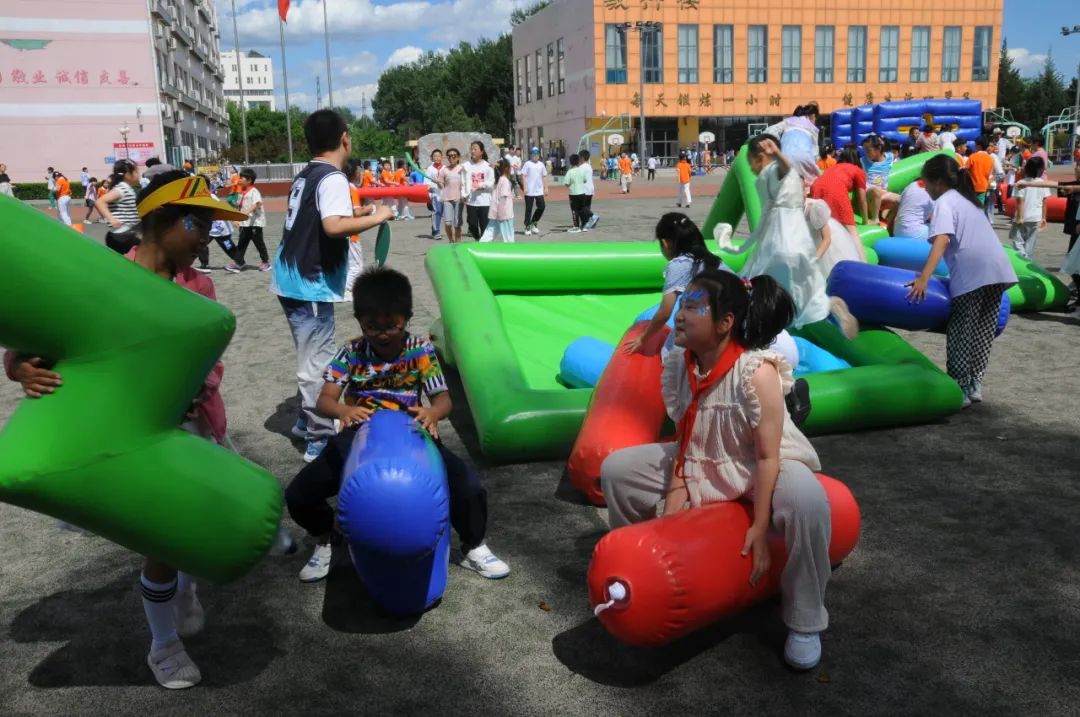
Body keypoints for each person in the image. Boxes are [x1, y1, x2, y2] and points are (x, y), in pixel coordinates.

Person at [6, 170, 250, 689]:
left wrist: (196, 387)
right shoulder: (99, 278)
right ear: (162, 220)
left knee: (187, 527)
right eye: (199, 222)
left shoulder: (198, 285)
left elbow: (209, 361)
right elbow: (27, 347)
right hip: (132, 440)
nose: (208, 235)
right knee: (162, 542)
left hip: (190, 428)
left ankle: (183, 586)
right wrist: (23, 370)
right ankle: (163, 647)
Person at [600, 269, 833, 671]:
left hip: (762, 461)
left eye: (693, 307)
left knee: (808, 500)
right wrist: (674, 502)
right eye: (682, 304)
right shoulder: (680, 364)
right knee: (618, 470)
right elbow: (685, 433)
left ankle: (805, 620)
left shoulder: (756, 372)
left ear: (725, 323)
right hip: (702, 454)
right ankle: (635, 565)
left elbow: (766, 457)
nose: (680, 315)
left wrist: (760, 529)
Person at [285, 266, 510, 582]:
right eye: (371, 326)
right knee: (299, 494)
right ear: (360, 321)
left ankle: (473, 546)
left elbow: (444, 400)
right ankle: (327, 536)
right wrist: (343, 412)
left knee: (469, 487)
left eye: (392, 325)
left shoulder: (420, 349)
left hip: (412, 432)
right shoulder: (351, 352)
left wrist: (432, 414)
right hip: (360, 434)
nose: (382, 334)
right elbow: (325, 400)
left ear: (406, 318)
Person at [270, 110, 395, 462]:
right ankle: (319, 435)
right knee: (316, 362)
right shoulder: (334, 177)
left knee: (311, 355)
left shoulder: (309, 173)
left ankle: (303, 421)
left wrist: (361, 212)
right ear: (345, 138)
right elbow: (332, 226)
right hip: (307, 283)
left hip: (294, 280)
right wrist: (378, 217)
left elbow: (327, 217)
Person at [906, 155, 1017, 407]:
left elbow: (942, 239)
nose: (925, 189)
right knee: (983, 331)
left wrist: (924, 277)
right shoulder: (968, 200)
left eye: (925, 183)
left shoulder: (945, 202)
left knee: (961, 331)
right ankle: (975, 383)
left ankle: (959, 387)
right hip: (997, 271)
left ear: (936, 182)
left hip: (973, 273)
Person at [719, 135, 857, 337]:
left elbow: (786, 170)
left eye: (751, 161)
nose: (750, 167)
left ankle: (784, 326)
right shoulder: (767, 176)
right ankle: (824, 308)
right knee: (793, 287)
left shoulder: (777, 171)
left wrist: (777, 154)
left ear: (761, 156)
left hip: (785, 240)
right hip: (779, 238)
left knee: (774, 282)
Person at [626, 212, 724, 355]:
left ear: (666, 243)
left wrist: (642, 340)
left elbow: (665, 312)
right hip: (728, 323)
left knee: (670, 352)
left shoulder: (679, 264)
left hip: (712, 329)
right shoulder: (714, 260)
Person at [809, 146, 869, 249]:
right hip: (835, 188)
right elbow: (862, 199)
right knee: (852, 230)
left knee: (820, 227)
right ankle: (861, 261)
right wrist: (866, 221)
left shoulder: (835, 167)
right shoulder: (858, 170)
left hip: (816, 186)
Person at [765, 102, 822, 190]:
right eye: (815, 119)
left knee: (784, 184)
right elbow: (815, 153)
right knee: (813, 184)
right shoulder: (812, 128)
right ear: (812, 116)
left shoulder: (788, 121)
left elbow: (769, 130)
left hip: (784, 158)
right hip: (804, 159)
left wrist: (778, 145)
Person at [224, 168, 270, 273]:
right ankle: (238, 263)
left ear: (249, 180)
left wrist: (247, 211)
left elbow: (258, 203)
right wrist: (236, 218)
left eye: (241, 178)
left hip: (255, 223)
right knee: (242, 243)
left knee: (259, 243)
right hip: (245, 223)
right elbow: (239, 206)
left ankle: (266, 262)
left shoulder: (254, 191)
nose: (239, 180)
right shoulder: (241, 192)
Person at [804, 198, 865, 275]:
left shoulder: (815, 207)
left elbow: (827, 239)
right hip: (809, 239)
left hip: (824, 242)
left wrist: (815, 259)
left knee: (829, 270)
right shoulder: (790, 209)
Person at [96, 159, 143, 253]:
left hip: (126, 234)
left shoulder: (127, 188)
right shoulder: (122, 189)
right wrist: (111, 219)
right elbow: (100, 202)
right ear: (127, 175)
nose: (139, 174)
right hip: (123, 236)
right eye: (136, 171)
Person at [1009, 157, 1051, 259]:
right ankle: (1028, 260)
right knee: (1030, 244)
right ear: (1041, 170)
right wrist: (1044, 217)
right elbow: (1044, 201)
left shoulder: (1021, 182)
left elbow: (1020, 201)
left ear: (1027, 168)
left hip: (1023, 217)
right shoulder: (1042, 182)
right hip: (1036, 218)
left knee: (1017, 241)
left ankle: (1023, 259)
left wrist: (1020, 217)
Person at [462, 140, 495, 241]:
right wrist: (463, 194)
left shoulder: (487, 166)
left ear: (481, 151)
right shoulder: (466, 166)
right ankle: (478, 239)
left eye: (475, 149)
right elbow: (463, 181)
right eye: (471, 149)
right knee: (472, 225)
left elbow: (491, 182)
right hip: (471, 201)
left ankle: (483, 245)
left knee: (484, 225)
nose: (472, 151)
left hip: (485, 201)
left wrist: (480, 185)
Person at [861, 135, 896, 222]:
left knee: (901, 199)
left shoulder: (890, 157)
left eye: (868, 151)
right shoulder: (863, 161)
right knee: (875, 191)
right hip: (869, 195)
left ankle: (888, 221)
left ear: (879, 148)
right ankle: (875, 219)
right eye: (864, 150)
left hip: (884, 193)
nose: (866, 153)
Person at [440, 148, 465, 243]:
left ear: (458, 157)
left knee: (457, 224)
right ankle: (451, 241)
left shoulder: (462, 169)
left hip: (459, 199)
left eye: (454, 155)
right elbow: (441, 184)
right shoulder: (444, 170)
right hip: (447, 199)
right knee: (447, 223)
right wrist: (439, 183)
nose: (451, 158)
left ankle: (458, 243)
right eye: (449, 156)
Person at [563, 154, 592, 233]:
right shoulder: (581, 170)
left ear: (570, 162)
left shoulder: (570, 171)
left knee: (574, 210)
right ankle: (584, 226)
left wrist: (570, 184)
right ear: (578, 161)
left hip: (573, 194)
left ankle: (576, 226)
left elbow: (566, 183)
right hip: (582, 193)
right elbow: (585, 180)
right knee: (582, 209)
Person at [488, 158, 515, 243]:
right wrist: (502, 214)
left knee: (489, 233)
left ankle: (480, 248)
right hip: (505, 214)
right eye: (510, 167)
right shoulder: (504, 180)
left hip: (496, 212)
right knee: (508, 237)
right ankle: (510, 252)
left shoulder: (498, 180)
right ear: (507, 168)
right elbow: (503, 197)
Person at [521, 147, 547, 235]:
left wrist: (546, 187)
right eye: (533, 154)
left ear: (539, 155)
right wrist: (525, 187)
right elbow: (524, 176)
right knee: (529, 209)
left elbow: (544, 176)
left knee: (542, 206)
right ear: (531, 155)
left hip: (539, 190)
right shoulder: (527, 164)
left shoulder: (541, 165)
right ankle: (527, 226)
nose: (535, 156)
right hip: (529, 190)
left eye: (537, 154)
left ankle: (534, 222)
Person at [425, 149, 446, 240]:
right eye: (435, 156)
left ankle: (434, 228)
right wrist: (430, 192)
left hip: (444, 194)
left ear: (442, 157)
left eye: (438, 156)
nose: (437, 158)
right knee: (437, 211)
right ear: (432, 158)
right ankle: (437, 231)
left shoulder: (445, 168)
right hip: (434, 194)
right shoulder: (430, 169)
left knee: (441, 213)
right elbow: (426, 183)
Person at [579, 149, 600, 229]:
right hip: (590, 189)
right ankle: (585, 223)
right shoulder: (589, 166)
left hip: (584, 189)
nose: (579, 159)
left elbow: (580, 179)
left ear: (582, 158)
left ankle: (593, 216)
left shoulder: (581, 167)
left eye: (579, 157)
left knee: (582, 207)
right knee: (587, 206)